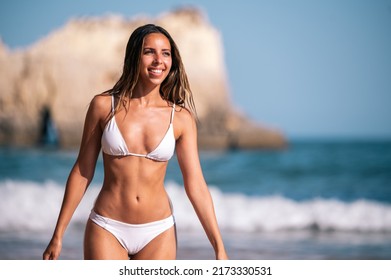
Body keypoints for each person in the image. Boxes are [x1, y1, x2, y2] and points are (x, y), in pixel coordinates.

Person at [43, 23, 228, 260]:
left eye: (166, 53)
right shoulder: (103, 106)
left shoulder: (181, 118)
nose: (158, 60)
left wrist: (219, 248)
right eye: (149, 51)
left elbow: (196, 185)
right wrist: (57, 235)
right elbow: (82, 170)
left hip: (158, 231)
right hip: (107, 227)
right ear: (134, 57)